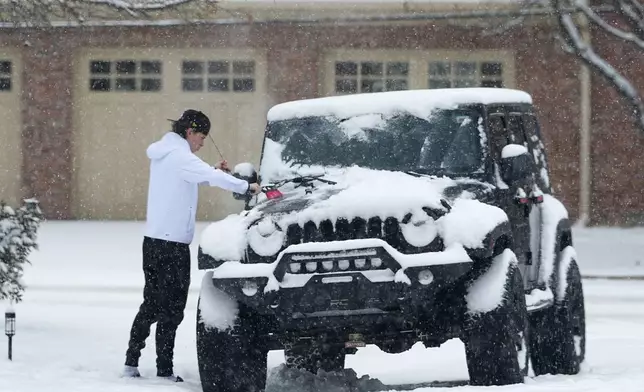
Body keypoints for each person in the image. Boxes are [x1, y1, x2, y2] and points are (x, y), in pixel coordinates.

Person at [121, 109, 260, 382]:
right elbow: (213, 178)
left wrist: (214, 172)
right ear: (189, 132)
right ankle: (163, 370)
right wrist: (247, 187)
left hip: (153, 242)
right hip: (172, 247)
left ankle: (131, 361)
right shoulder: (181, 157)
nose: (203, 143)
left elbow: (203, 175)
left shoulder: (166, 154)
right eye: (202, 136)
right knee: (172, 308)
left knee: (151, 303)